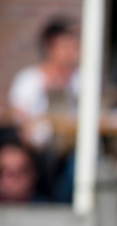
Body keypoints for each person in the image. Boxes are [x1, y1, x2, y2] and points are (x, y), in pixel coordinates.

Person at [7, 18, 80, 152]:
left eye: (75, 45)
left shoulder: (82, 80)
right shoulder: (28, 79)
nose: (74, 51)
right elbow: (18, 119)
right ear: (50, 46)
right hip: (36, 153)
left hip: (73, 150)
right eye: (67, 45)